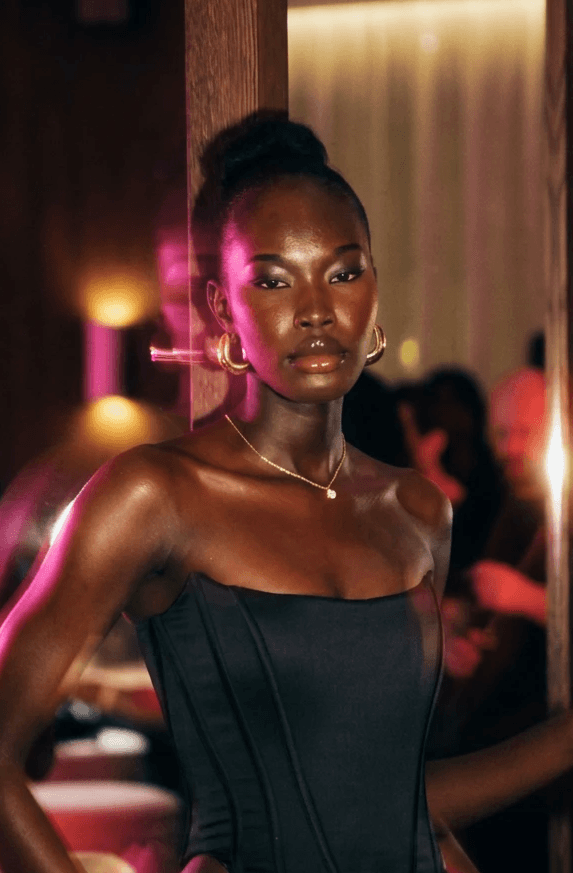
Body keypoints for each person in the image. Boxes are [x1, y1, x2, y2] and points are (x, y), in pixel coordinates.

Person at [1, 115, 573, 873]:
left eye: (342, 271)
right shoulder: (154, 492)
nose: (314, 307)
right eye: (272, 279)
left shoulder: (416, 512)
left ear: (374, 294)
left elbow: (390, 801)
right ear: (222, 309)